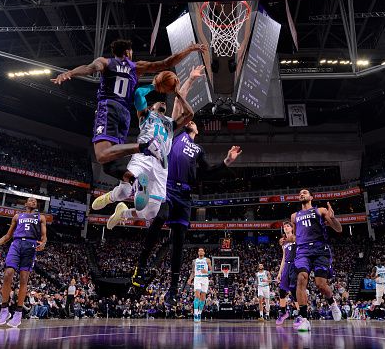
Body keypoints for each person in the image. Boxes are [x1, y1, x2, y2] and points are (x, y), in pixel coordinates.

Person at [129, 71, 242, 303]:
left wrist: (227, 161)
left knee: (179, 241)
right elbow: (179, 105)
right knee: (161, 216)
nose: (191, 121)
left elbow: (209, 172)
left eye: (194, 123)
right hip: (167, 187)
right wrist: (189, 81)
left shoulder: (198, 150)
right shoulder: (175, 132)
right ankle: (140, 265)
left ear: (198, 130)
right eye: (190, 120)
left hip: (185, 195)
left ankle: (172, 289)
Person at [51, 39, 207, 171]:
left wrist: (70, 73)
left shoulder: (105, 62)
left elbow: (89, 68)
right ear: (127, 52)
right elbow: (167, 62)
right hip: (124, 113)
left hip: (109, 107)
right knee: (109, 161)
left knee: (101, 155)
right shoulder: (136, 67)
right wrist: (189, 49)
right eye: (131, 52)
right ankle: (127, 182)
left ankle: (145, 147)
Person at [93, 69, 196, 228]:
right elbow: (139, 94)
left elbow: (189, 114)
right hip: (144, 157)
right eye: (158, 102)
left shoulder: (170, 124)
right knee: (125, 192)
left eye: (163, 102)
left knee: (151, 213)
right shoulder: (145, 115)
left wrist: (178, 93)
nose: (162, 102)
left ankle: (123, 212)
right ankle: (111, 198)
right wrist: (155, 86)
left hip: (162, 165)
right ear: (151, 107)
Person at [0, 197, 47, 328]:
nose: (33, 202)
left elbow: (44, 236)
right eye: (30, 200)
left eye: (35, 201)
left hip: (30, 245)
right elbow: (7, 236)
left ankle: (18, 313)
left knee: (24, 279)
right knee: (8, 274)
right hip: (16, 244)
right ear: (25, 203)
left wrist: (43, 243)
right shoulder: (17, 216)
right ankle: (4, 309)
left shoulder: (41, 217)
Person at [288, 189, 343, 332]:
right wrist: (288, 239)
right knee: (301, 278)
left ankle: (332, 302)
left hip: (320, 250)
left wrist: (333, 218)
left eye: (305, 192)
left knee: (321, 285)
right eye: (300, 193)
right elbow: (296, 236)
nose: (301, 194)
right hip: (303, 251)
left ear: (311, 197)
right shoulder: (294, 216)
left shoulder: (321, 210)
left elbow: (339, 229)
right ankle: (304, 319)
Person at [276, 220, 299, 325]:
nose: (285, 227)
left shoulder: (296, 238)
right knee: (282, 291)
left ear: (292, 228)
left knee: (294, 291)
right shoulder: (284, 242)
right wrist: (280, 272)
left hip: (295, 265)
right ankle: (283, 313)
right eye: (284, 226)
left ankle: (300, 315)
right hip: (286, 266)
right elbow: (284, 258)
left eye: (288, 226)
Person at [186, 248, 212, 322]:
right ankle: (196, 314)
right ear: (198, 252)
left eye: (202, 251)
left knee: (203, 297)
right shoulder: (194, 261)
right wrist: (190, 279)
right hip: (197, 278)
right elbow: (193, 272)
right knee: (197, 295)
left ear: (204, 252)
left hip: (205, 279)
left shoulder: (207, 260)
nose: (200, 251)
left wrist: (206, 272)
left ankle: (200, 313)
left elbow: (211, 271)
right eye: (199, 251)